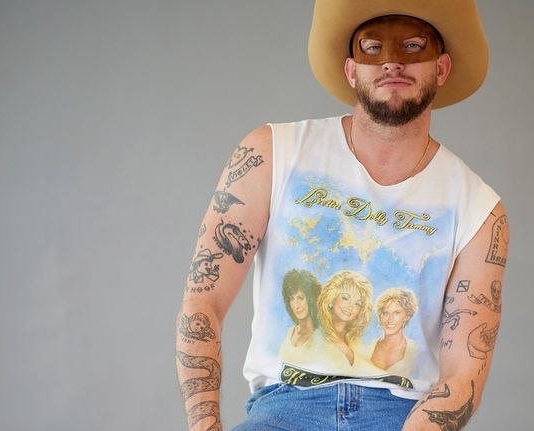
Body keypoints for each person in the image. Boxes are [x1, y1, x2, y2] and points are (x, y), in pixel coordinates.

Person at [176, 1, 510, 430]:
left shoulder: (479, 209)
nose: (392, 61)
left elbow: (463, 372)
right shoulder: (272, 153)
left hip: (403, 414)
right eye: (373, 48)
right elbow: (204, 299)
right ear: (351, 70)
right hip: (284, 406)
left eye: (412, 47)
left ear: (441, 69)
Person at [369, 288, 419, 377]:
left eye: (397, 313)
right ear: (380, 316)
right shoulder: (368, 348)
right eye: (385, 313)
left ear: (407, 316)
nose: (390, 319)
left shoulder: (415, 350)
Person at [278, 269, 323, 366]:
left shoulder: (320, 337)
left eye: (300, 298)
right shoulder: (290, 332)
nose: (296, 306)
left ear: (311, 299)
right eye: (292, 299)